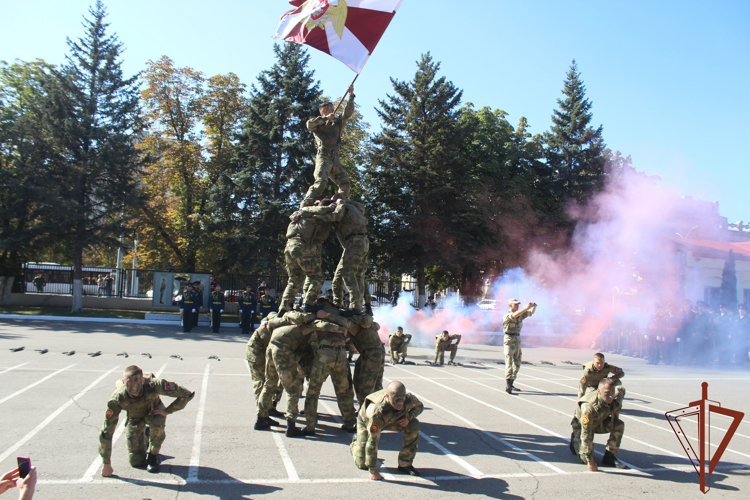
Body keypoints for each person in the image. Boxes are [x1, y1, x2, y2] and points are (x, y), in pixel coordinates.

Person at [99, 365, 195, 475]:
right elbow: (106, 432)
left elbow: (186, 394)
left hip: (153, 412)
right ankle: (145, 435)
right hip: (134, 418)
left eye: (137, 381)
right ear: (123, 382)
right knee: (136, 462)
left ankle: (153, 455)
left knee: (158, 420)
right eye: (130, 381)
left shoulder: (153, 385)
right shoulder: (118, 398)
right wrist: (106, 464)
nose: (133, 386)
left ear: (143, 380)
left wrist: (167, 411)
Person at [307, 193, 368, 311]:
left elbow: (335, 216)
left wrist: (314, 215)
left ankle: (356, 307)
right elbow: (362, 207)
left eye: (333, 202)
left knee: (349, 274)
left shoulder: (343, 208)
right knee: (340, 278)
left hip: (354, 242)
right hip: (356, 243)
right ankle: (338, 304)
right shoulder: (354, 208)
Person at [303, 301, 357, 435]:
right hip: (340, 354)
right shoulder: (338, 315)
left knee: (313, 391)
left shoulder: (316, 314)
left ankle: (310, 426)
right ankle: (350, 423)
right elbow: (349, 326)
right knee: (343, 391)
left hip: (324, 354)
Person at [350, 381, 423, 480]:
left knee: (414, 424)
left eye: (402, 398)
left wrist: (409, 417)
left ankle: (405, 463)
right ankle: (355, 443)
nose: (400, 402)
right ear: (388, 397)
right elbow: (372, 442)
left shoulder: (408, 398)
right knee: (362, 463)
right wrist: (373, 471)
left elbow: (419, 406)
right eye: (396, 399)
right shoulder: (377, 412)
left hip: (393, 418)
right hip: (366, 421)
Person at [301, 86, 355, 207]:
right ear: (323, 111)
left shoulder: (337, 122)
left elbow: (347, 113)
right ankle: (305, 205)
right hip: (323, 156)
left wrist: (351, 96)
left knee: (345, 183)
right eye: (329, 108)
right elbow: (309, 125)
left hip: (334, 157)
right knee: (320, 183)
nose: (333, 110)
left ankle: (338, 203)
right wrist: (325, 119)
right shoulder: (318, 124)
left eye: (333, 108)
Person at [279, 202, 336, 312]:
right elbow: (322, 210)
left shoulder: (299, 214)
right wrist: (332, 207)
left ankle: (284, 307)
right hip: (300, 246)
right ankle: (308, 303)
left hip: (289, 247)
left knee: (294, 280)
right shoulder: (311, 213)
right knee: (318, 276)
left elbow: (293, 215)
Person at [569, 378, 628, 471]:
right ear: (599, 391)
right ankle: (575, 440)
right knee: (584, 459)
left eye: (612, 393)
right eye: (607, 393)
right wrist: (591, 462)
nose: (610, 396)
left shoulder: (614, 396)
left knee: (619, 424)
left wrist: (617, 411)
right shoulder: (589, 407)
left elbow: (621, 389)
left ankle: (609, 456)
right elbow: (586, 435)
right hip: (582, 426)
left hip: (600, 421)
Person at [503, 298, 537, 394]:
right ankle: (508, 384)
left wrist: (534, 307)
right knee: (509, 361)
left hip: (517, 339)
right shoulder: (507, 314)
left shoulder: (520, 314)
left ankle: (512, 382)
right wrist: (526, 308)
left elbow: (530, 313)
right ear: (510, 305)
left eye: (518, 304)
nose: (518, 306)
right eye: (516, 304)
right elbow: (514, 315)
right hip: (509, 339)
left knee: (517, 362)